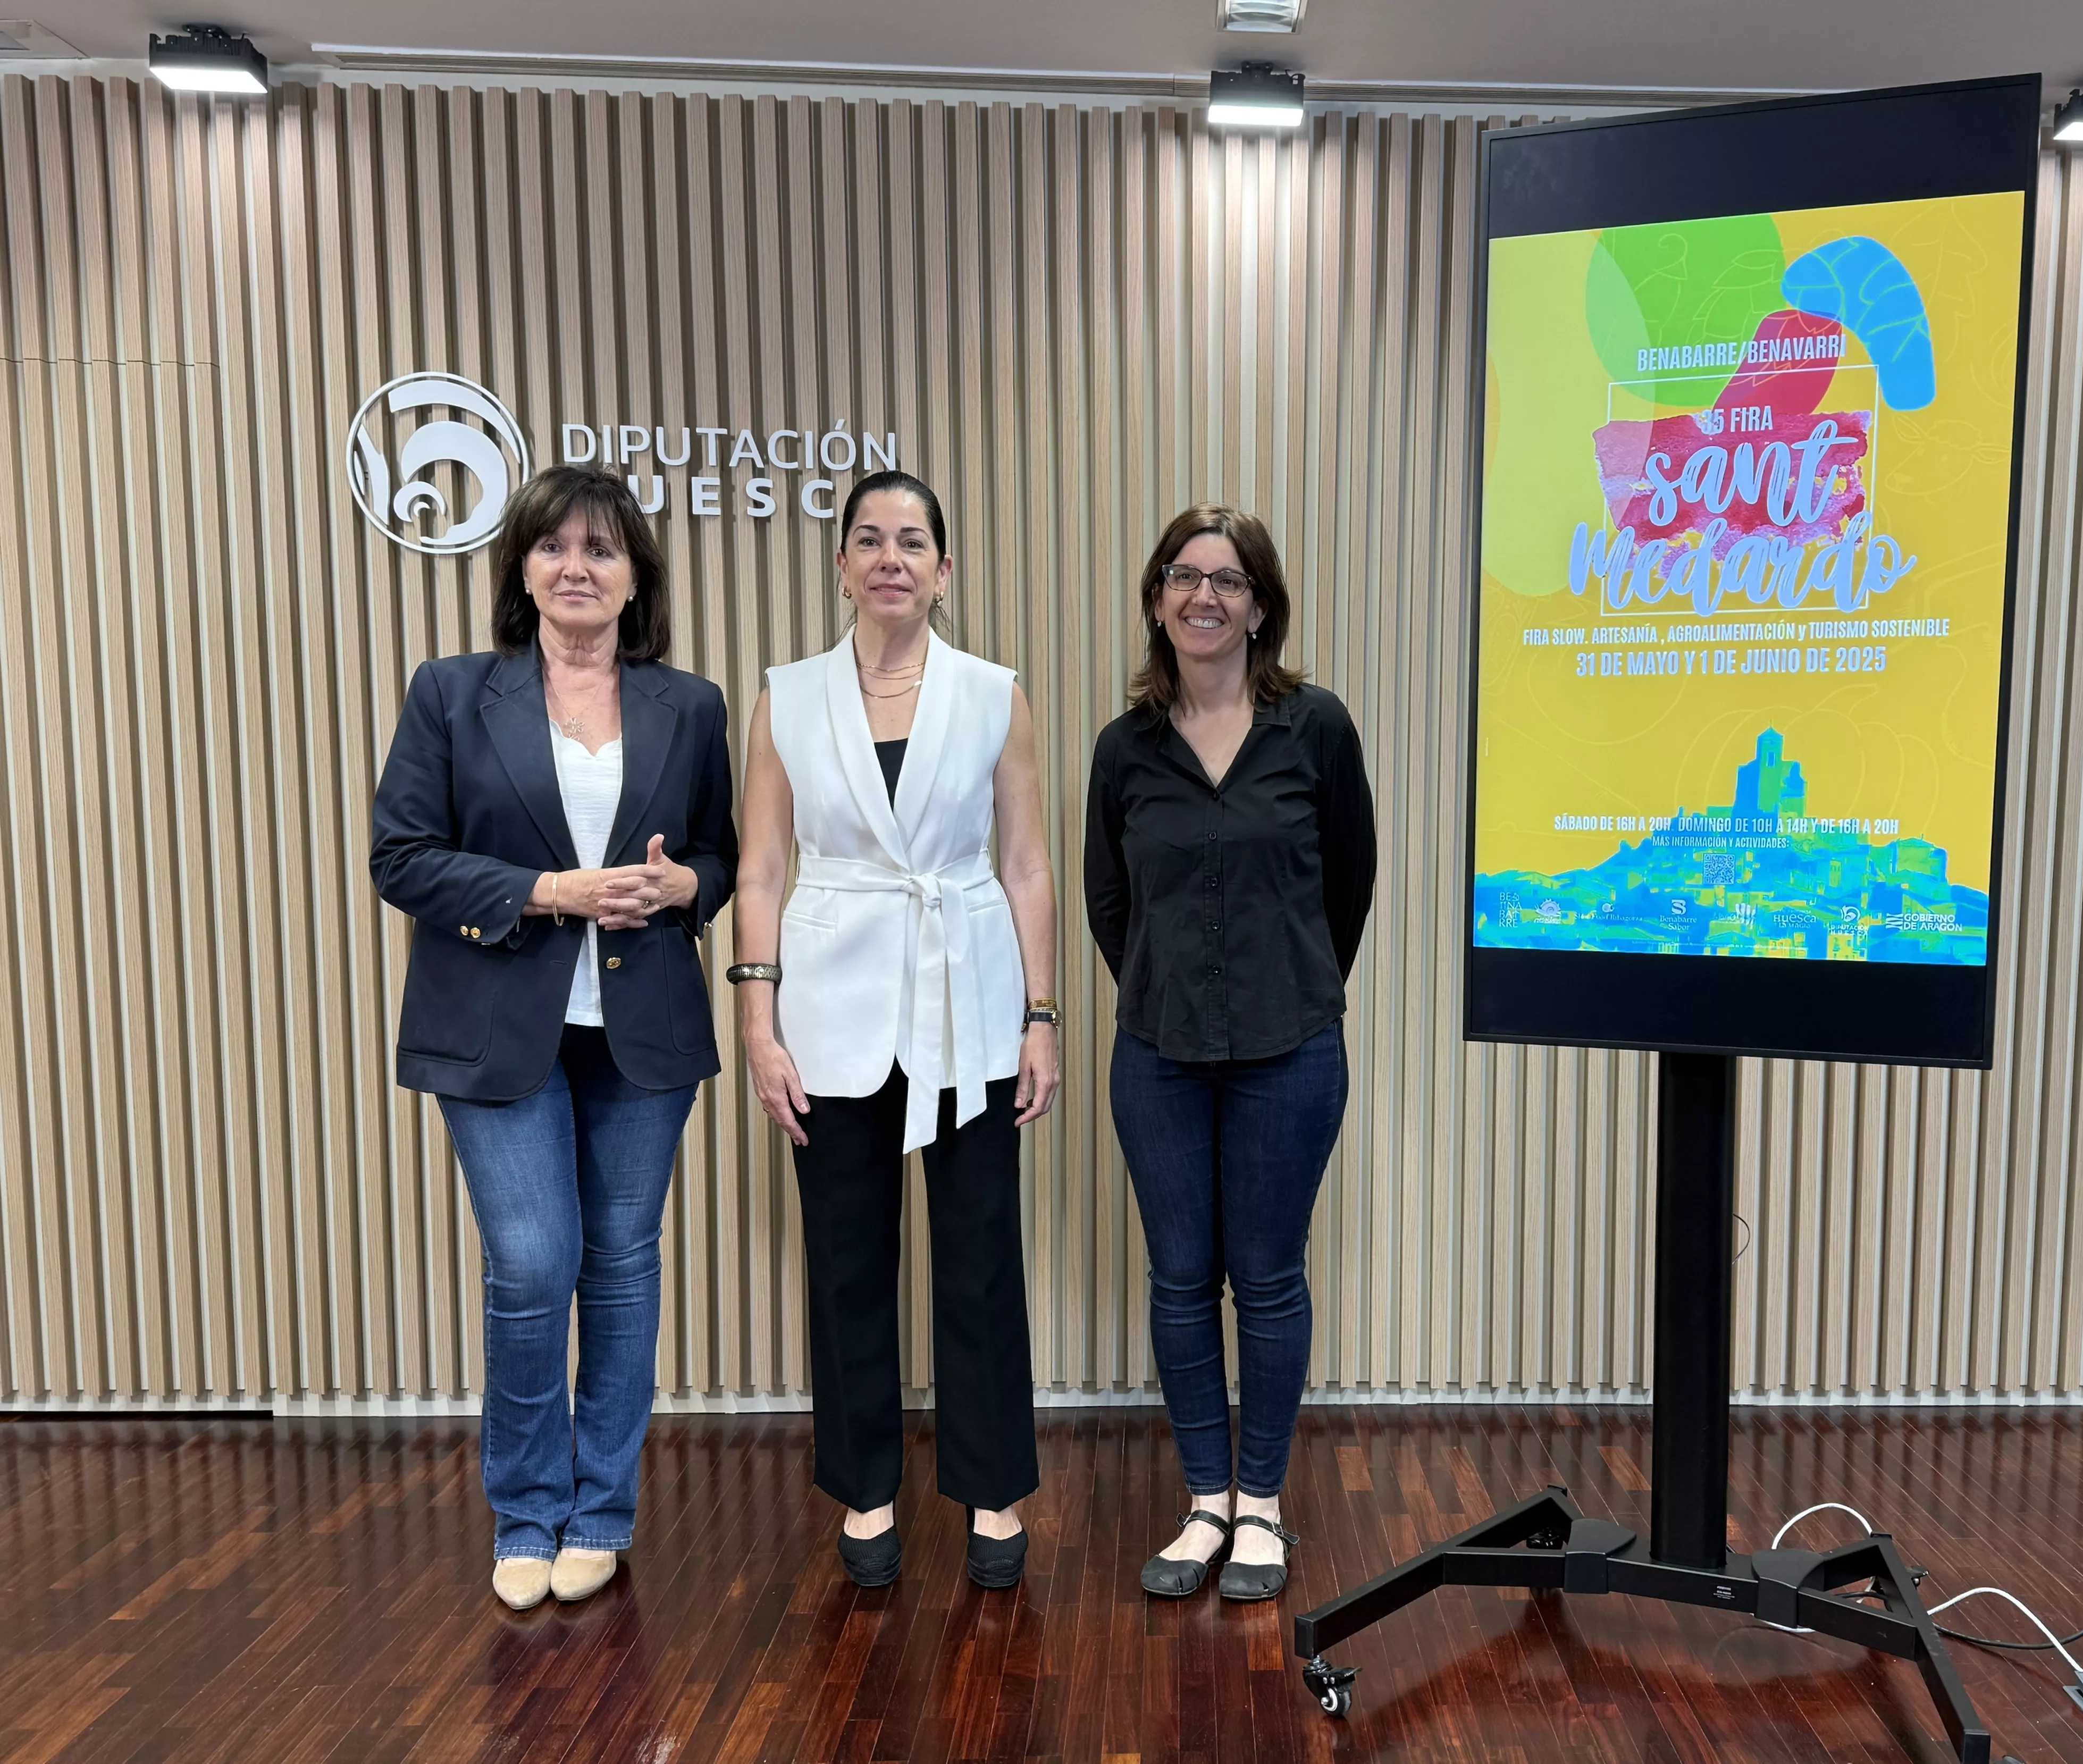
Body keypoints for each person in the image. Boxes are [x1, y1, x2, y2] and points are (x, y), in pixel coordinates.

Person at [370, 465, 737, 1611]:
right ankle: (527, 1512)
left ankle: (601, 1511)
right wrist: (545, 891)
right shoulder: (449, 693)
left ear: (637, 579)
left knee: (622, 1270)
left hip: (643, 1033)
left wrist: (687, 885)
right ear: (521, 568)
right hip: (494, 1028)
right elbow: (402, 856)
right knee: (534, 1266)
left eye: (602, 550)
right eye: (555, 548)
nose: (577, 568)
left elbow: (720, 860)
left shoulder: (693, 705)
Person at [734, 470, 1060, 1589]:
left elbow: (1025, 864)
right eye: (868, 539)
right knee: (847, 1259)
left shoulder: (993, 693)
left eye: (912, 540)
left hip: (967, 1001)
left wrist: (1042, 1017)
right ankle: (867, 1489)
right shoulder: (786, 694)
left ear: (943, 569)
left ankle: (993, 1489)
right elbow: (763, 866)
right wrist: (758, 1025)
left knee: (979, 1260)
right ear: (840, 566)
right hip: (828, 1009)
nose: (890, 557)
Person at [1085, 504, 1375, 1603]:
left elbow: (1347, 883)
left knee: (1267, 1278)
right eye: (1183, 577)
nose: (1205, 597)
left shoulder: (1317, 730)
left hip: (1289, 1049)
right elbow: (1108, 902)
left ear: (1262, 605)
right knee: (1176, 1279)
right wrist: (1172, 989)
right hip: (1157, 1054)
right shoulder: (1126, 749)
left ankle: (1261, 1506)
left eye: (1229, 580)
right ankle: (1204, 1500)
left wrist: (1287, 984)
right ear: (1159, 600)